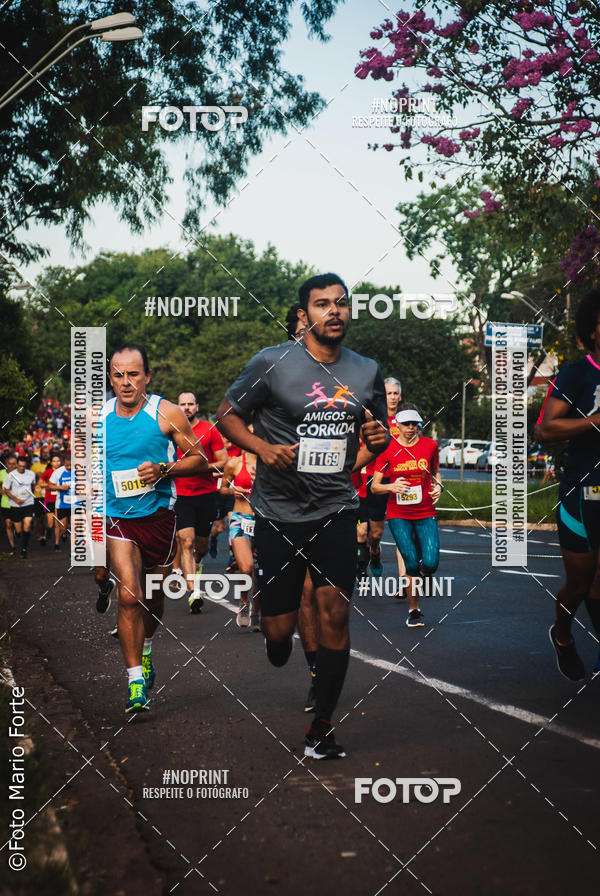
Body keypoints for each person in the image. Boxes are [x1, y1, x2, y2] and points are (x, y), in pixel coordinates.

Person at [217, 273, 389, 758]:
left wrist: (376, 447)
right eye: (322, 305)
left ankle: (323, 727)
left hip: (335, 508)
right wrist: (262, 448)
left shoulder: (366, 371)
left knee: (334, 610)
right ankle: (276, 642)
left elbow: (374, 437)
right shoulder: (272, 363)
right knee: (278, 633)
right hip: (277, 513)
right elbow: (226, 415)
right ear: (304, 314)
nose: (333, 311)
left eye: (341, 304)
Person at [103, 344, 208, 713]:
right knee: (129, 596)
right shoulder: (96, 418)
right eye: (118, 375)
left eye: (134, 374)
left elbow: (200, 459)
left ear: (147, 376)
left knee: (153, 597)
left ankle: (146, 650)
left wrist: (164, 470)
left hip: (160, 517)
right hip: (118, 519)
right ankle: (135, 684)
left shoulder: (167, 412)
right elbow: (85, 472)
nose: (126, 382)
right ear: (110, 377)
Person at [539, 290, 600, 680]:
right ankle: (562, 634)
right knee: (581, 582)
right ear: (594, 331)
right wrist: (596, 420)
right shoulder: (577, 374)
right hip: (584, 491)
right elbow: (545, 428)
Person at [371, 403, 442, 627]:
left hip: (425, 511)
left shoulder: (430, 446)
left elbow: (436, 472)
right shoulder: (387, 449)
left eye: (415, 424)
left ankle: (422, 575)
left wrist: (438, 485)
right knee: (411, 563)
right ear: (398, 426)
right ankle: (414, 610)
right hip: (398, 513)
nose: (411, 428)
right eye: (407, 424)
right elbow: (375, 486)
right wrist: (391, 487)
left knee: (430, 564)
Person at [173, 392, 228, 613]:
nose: (186, 408)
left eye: (190, 404)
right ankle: (194, 591)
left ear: (197, 406)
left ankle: (197, 564)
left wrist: (198, 467)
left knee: (201, 546)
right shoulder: (170, 430)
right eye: (182, 404)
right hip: (180, 495)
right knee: (186, 541)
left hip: (205, 494)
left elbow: (223, 461)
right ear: (177, 407)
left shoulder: (209, 429)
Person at [220, 440, 260, 629]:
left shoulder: (270, 464)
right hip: (240, 518)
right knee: (246, 568)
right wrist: (232, 490)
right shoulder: (234, 463)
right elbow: (222, 488)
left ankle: (257, 611)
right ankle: (244, 601)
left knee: (261, 570)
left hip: (265, 520)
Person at [2, 455, 36, 558]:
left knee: (27, 523)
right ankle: (18, 534)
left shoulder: (31, 474)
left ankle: (24, 549)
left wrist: (30, 495)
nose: (21, 468)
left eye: (23, 466)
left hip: (28, 503)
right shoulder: (11, 475)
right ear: (17, 464)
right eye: (20, 466)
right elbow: (6, 490)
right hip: (15, 505)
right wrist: (15, 499)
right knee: (18, 530)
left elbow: (33, 485)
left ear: (26, 465)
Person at [49, 455, 74, 550]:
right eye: (67, 465)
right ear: (64, 463)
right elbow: (50, 486)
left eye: (71, 465)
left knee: (74, 528)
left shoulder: (79, 470)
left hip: (75, 504)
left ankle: (73, 551)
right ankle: (63, 533)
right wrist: (60, 487)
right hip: (62, 505)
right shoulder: (58, 472)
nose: (69, 468)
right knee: (63, 528)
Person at [1, 455, 17, 554]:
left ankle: (18, 532)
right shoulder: (1, 474)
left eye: (14, 464)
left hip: (18, 504)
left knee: (16, 524)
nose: (12, 466)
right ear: (6, 465)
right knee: (8, 524)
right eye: (9, 464)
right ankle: (12, 545)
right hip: (5, 503)